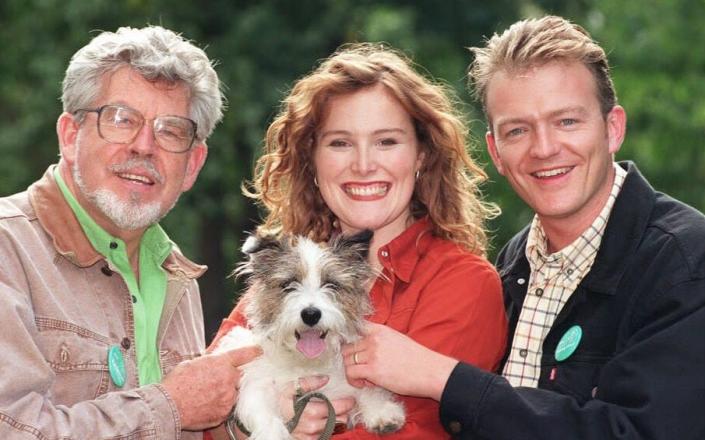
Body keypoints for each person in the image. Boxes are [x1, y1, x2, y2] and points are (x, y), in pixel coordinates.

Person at [342, 15, 705, 440]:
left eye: (567, 121)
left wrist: (445, 378)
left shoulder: (685, 262)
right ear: (496, 151)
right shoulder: (514, 262)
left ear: (612, 129)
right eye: (518, 130)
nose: (545, 148)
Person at [207, 43, 508, 439]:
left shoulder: (463, 283)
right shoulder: (282, 272)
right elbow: (202, 406)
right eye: (340, 143)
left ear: (421, 155)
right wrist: (245, 425)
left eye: (386, 141)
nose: (364, 164)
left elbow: (416, 429)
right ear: (311, 159)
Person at [0, 26, 260, 439]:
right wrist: (169, 407)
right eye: (122, 120)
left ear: (192, 164)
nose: (144, 146)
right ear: (70, 136)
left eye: (171, 131)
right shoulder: (8, 249)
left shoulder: (176, 275)